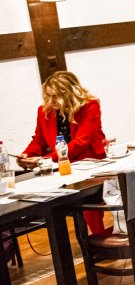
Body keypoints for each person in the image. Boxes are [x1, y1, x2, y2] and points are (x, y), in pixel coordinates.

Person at [19, 71, 108, 235]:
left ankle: (98, 239)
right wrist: (27, 154)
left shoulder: (90, 105)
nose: (51, 101)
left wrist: (43, 160)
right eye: (48, 96)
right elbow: (39, 140)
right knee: (53, 204)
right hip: (60, 163)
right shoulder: (44, 111)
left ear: (69, 93)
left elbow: (81, 142)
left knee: (89, 206)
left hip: (88, 161)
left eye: (55, 96)